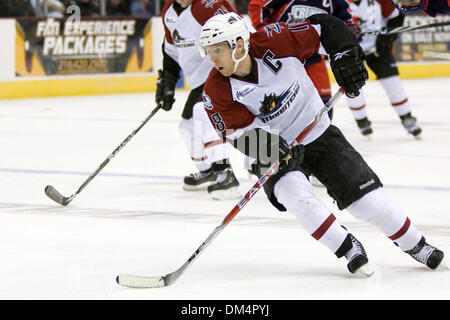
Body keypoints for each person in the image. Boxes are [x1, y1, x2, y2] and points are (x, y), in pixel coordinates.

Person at [199, 12, 444, 274]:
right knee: (295, 196)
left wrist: (345, 56)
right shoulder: (216, 91)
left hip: (317, 129)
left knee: (368, 202)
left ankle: (415, 244)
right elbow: (238, 132)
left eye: (218, 50)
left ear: (238, 44)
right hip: (275, 149)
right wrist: (268, 148)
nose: (212, 59)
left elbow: (325, 26)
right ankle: (347, 246)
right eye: (208, 51)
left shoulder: (277, 40)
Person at [157, 0, 241, 200]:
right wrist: (167, 80)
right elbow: (171, 50)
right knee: (186, 127)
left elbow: (238, 30)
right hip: (201, 80)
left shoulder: (209, 5)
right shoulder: (169, 11)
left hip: (223, 73)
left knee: (203, 110)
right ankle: (211, 169)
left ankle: (224, 170)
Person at [248, 0, 361, 121]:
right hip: (283, 57)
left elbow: (345, 17)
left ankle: (320, 135)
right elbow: (257, 5)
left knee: (324, 107)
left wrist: (349, 29)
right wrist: (264, 30)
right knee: (282, 106)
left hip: (315, 56)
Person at [346, 0, 422, 138]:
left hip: (377, 48)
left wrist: (387, 38)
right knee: (352, 86)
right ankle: (361, 120)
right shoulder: (340, 3)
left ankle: (407, 117)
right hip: (350, 50)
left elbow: (396, 17)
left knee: (392, 81)